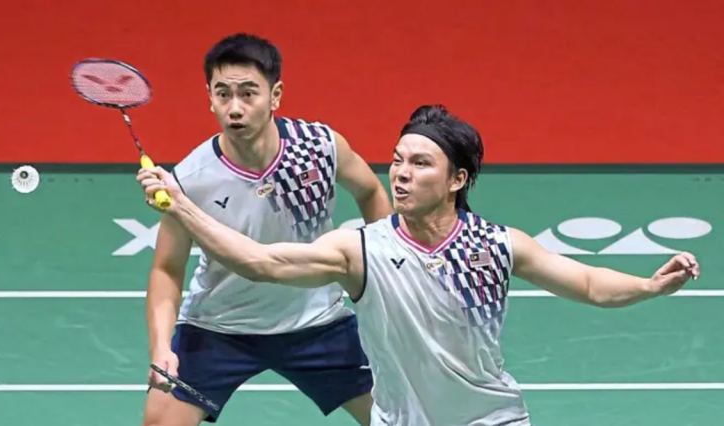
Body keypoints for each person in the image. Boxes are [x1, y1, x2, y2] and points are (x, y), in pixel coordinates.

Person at [137, 104, 701, 426]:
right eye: (398, 160)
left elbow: (587, 282)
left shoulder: (497, 245)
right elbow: (258, 261)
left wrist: (650, 286)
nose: (401, 173)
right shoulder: (360, 248)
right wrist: (180, 202)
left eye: (421, 163)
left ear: (457, 180)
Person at [140, 33, 392, 426]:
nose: (234, 108)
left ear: (275, 95)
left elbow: (371, 190)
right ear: (209, 97)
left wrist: (387, 271)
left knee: (399, 417)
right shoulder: (190, 179)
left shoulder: (320, 148)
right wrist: (160, 348)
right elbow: (166, 268)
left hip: (317, 321)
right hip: (220, 326)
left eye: (248, 94)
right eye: (223, 94)